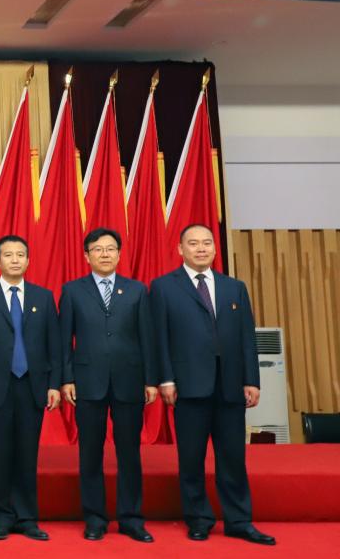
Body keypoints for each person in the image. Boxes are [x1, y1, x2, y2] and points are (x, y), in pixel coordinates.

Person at [151, 224, 274, 545]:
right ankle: (198, 519)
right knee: (191, 459)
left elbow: (247, 337)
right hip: (188, 385)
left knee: (233, 458)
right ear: (180, 249)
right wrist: (165, 378)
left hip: (230, 386)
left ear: (215, 249)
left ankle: (239, 521)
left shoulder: (234, 288)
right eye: (193, 244)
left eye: (207, 243)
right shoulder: (163, 287)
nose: (201, 248)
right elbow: (159, 338)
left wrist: (251, 380)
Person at [59, 227, 157, 543]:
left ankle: (131, 518)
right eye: (98, 249)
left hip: (130, 380)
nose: (105, 254)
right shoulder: (72, 291)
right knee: (90, 453)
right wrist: (66, 378)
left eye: (110, 248)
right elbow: (63, 340)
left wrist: (151, 380)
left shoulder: (137, 290)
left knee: (129, 453)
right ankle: (95, 518)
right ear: (86, 256)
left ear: (119, 253)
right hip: (88, 382)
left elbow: (148, 338)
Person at [0, 235, 60, 542]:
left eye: (20, 254)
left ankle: (27, 518)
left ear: (28, 260)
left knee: (27, 454)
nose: (15, 259)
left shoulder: (44, 297)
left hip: (32, 385)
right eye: (8, 255)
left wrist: (54, 384)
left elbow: (54, 345)